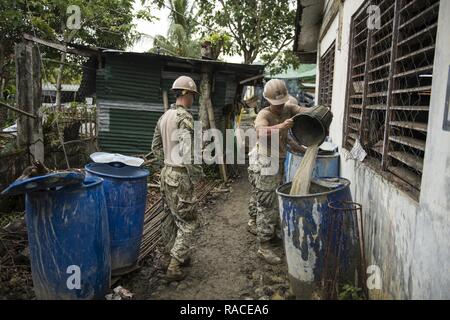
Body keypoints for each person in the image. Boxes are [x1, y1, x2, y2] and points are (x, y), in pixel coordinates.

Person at [247, 79, 308, 265]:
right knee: (268, 203)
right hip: (265, 162)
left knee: (268, 198)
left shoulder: (288, 109)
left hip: (277, 161)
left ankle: (266, 230)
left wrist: (303, 149)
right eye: (276, 104)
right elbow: (260, 132)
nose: (280, 107)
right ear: (268, 101)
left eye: (282, 103)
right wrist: (281, 126)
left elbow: (302, 114)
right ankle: (264, 246)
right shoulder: (264, 114)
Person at [151, 76, 204, 281]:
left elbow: (155, 147)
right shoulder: (185, 117)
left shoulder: (164, 116)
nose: (193, 99)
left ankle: (172, 256)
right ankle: (174, 266)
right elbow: (188, 151)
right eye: (192, 95)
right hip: (180, 175)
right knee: (189, 222)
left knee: (170, 217)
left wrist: (166, 162)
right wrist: (196, 175)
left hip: (166, 174)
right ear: (186, 94)